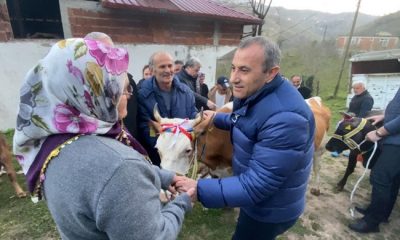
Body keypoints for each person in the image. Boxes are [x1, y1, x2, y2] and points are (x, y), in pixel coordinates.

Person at [13, 37, 195, 240]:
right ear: (95, 92)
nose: (128, 95)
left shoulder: (53, 144)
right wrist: (181, 203)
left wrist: (166, 177)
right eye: (122, 88)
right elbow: (156, 236)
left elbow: (100, 182)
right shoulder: (120, 167)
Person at [175, 36, 315, 240]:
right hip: (257, 202)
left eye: (244, 70)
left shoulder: (286, 118)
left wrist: (200, 189)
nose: (233, 78)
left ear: (271, 73)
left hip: (268, 211)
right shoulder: (257, 93)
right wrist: (216, 118)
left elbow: (257, 184)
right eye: (233, 68)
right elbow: (245, 121)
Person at [348, 87, 400, 233]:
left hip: (397, 142)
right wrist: (385, 115)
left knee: (380, 177)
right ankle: (380, 213)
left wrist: (380, 131)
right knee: (393, 180)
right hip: (395, 138)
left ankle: (372, 222)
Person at [137, 51, 197, 166]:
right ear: (152, 70)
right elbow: (145, 128)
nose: (168, 70)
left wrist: (199, 119)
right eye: (162, 66)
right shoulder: (143, 96)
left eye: (170, 66)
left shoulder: (186, 92)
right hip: (157, 161)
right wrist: (169, 150)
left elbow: (192, 116)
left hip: (182, 160)